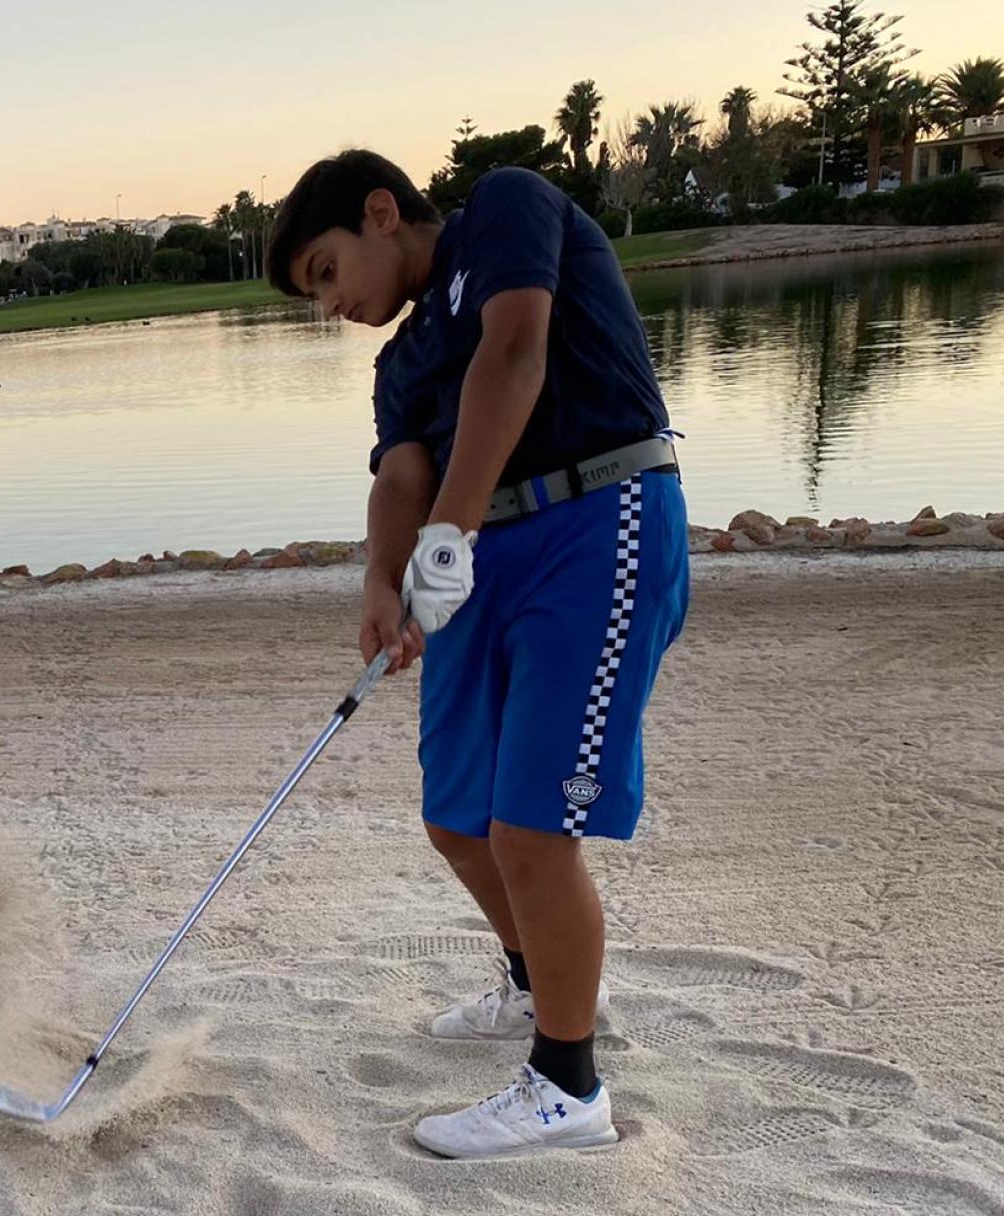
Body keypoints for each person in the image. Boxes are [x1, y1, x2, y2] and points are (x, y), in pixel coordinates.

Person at [266, 151, 690, 1158]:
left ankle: (568, 1088)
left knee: (531, 830)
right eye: (314, 296)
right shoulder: (401, 362)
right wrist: (384, 580)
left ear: (381, 213)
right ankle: (534, 983)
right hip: (481, 558)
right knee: (457, 818)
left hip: (596, 521)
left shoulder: (503, 208)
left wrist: (445, 541)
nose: (331, 305)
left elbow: (516, 354)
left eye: (326, 272)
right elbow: (401, 474)